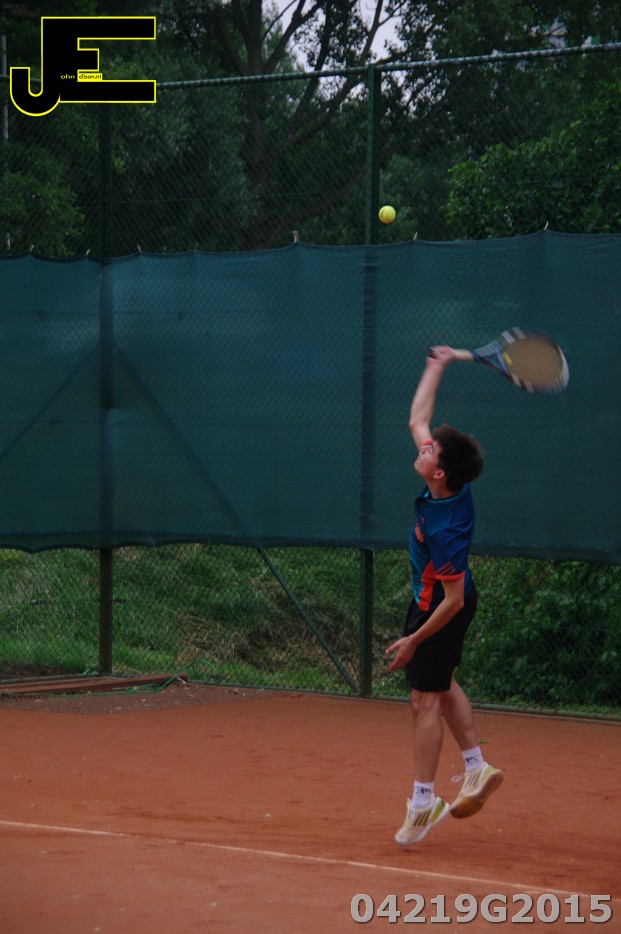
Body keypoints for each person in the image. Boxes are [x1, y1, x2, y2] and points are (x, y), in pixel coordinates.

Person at [385, 345, 503, 846]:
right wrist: (438, 365)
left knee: (423, 700)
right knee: (441, 682)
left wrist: (414, 640)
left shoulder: (445, 528)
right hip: (435, 599)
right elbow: (418, 417)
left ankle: (423, 801)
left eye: (430, 451)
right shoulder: (444, 482)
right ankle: (475, 767)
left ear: (438, 473)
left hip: (442, 606)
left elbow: (451, 603)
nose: (423, 446)